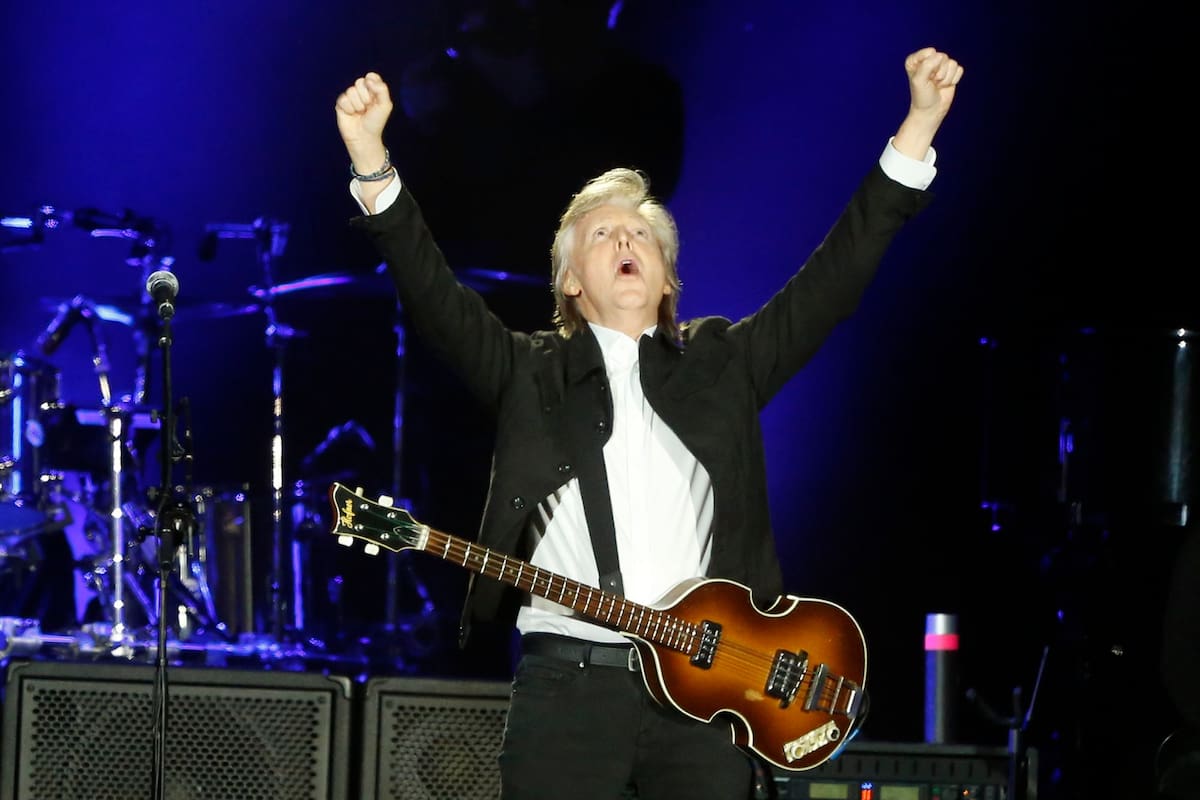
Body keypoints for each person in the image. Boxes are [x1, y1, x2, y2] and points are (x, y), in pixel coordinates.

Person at [335, 45, 963, 800]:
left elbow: (835, 277)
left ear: (668, 278)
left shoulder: (725, 360)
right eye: (602, 235)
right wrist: (372, 159)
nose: (625, 242)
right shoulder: (526, 370)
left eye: (642, 236)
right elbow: (431, 292)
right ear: (570, 282)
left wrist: (918, 127)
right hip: (566, 690)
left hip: (707, 701)